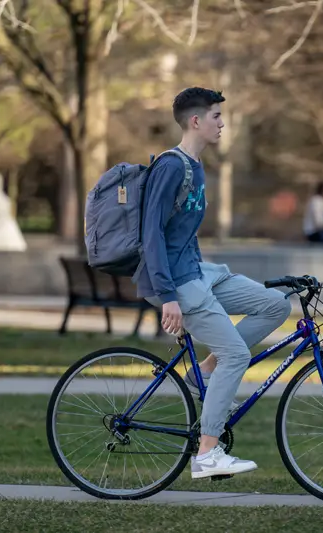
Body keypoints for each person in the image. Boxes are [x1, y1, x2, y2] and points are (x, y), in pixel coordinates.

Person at [136, 87, 292, 479]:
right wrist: (168, 296)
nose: (222, 123)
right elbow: (150, 234)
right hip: (176, 282)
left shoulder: (196, 166)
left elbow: (182, 233)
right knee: (237, 355)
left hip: (199, 273)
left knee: (276, 305)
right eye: (217, 117)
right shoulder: (171, 166)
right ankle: (207, 453)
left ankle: (205, 369)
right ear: (196, 121)